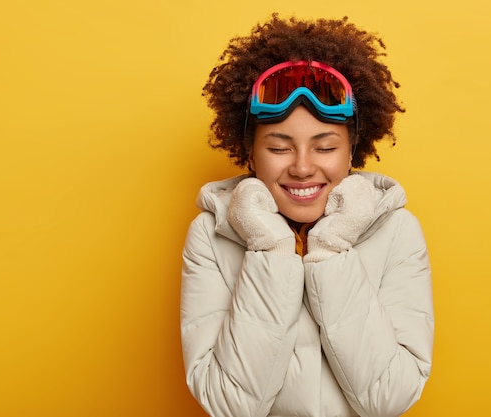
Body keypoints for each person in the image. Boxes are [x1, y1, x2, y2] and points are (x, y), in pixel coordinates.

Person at [180, 14, 434, 417]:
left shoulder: (398, 230)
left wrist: (332, 249)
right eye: (279, 148)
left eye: (325, 147)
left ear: (353, 151)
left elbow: (389, 399)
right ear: (249, 154)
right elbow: (229, 405)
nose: (301, 167)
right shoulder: (210, 235)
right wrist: (269, 249)